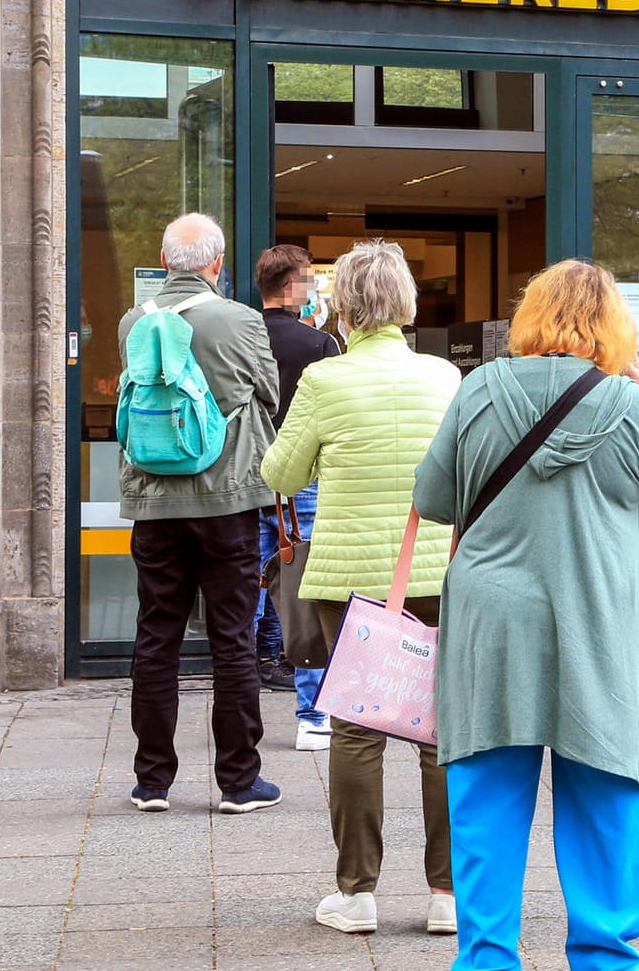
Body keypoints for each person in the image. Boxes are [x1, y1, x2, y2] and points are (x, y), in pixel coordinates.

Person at [414, 261, 639, 971]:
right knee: (605, 795)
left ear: (530, 315)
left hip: (491, 628)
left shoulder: (478, 389)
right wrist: (637, 388)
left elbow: (435, 495)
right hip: (595, 622)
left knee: (485, 805)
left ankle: (485, 957)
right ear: (614, 328)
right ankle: (604, 957)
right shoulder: (627, 403)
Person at [262, 239, 461, 936]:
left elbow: (281, 476)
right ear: (404, 301)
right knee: (440, 733)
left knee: (355, 728)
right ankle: (447, 893)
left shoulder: (325, 381)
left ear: (342, 305)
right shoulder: (445, 377)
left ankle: (357, 890)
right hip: (438, 570)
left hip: (350, 580)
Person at [117, 213, 282, 816]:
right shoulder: (241, 320)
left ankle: (152, 780)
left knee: (156, 633)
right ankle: (239, 781)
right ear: (215, 265)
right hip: (228, 500)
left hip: (155, 502)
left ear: (165, 263)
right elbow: (270, 394)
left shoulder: (134, 321)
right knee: (232, 637)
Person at [252, 244, 341, 752]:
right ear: (293, 287)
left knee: (252, 587)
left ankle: (239, 701)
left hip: (246, 477)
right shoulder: (318, 344)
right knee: (304, 588)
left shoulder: (243, 337)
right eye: (308, 282)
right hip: (301, 478)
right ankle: (311, 713)